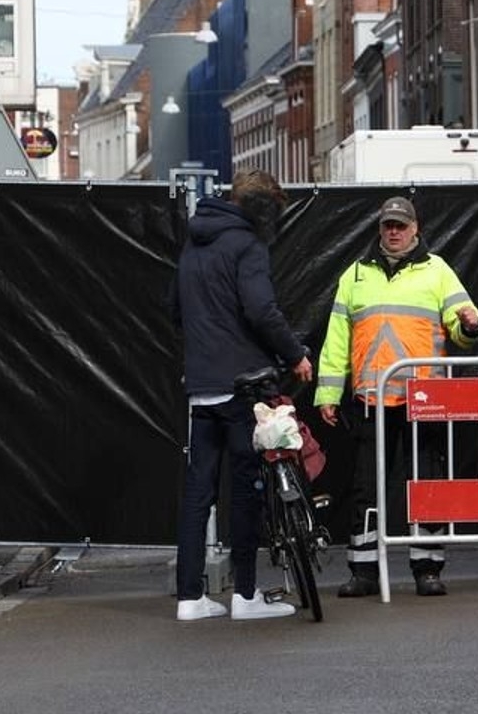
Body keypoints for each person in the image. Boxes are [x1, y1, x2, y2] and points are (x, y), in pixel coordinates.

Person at [315, 195, 478, 598]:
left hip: (423, 398)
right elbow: (336, 340)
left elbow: (465, 325)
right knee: (365, 489)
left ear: (415, 229)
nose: (394, 231)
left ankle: (427, 568)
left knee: (425, 484)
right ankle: (364, 571)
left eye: (401, 225)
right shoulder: (354, 275)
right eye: (388, 225)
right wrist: (328, 393)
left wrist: (472, 326)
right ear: (379, 229)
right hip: (371, 400)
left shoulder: (437, 271)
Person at [171, 170, 313, 622]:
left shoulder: (194, 243)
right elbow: (261, 309)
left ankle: (190, 598)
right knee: (247, 485)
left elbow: (173, 307)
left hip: (200, 384)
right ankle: (245, 594)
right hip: (241, 384)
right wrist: (294, 355)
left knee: (199, 492)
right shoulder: (248, 245)